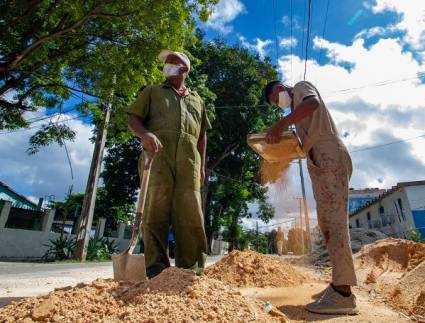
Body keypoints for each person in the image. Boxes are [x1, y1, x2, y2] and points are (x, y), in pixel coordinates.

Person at [263, 80, 358, 315]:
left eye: (276, 99)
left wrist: (280, 124)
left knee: (334, 223)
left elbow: (313, 103)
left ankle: (343, 294)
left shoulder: (300, 88)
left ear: (280, 87)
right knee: (327, 223)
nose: (278, 104)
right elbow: (299, 140)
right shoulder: (297, 112)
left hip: (328, 154)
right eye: (276, 104)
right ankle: (339, 285)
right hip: (319, 157)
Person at [128, 50, 211, 278]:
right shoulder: (152, 92)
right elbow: (133, 118)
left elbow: (202, 135)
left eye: (172, 62)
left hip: (190, 163)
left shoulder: (198, 100)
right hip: (157, 160)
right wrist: (144, 134)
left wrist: (202, 165)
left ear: (184, 69)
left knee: (191, 214)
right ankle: (156, 271)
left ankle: (191, 271)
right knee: (155, 212)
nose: (167, 66)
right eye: (166, 63)